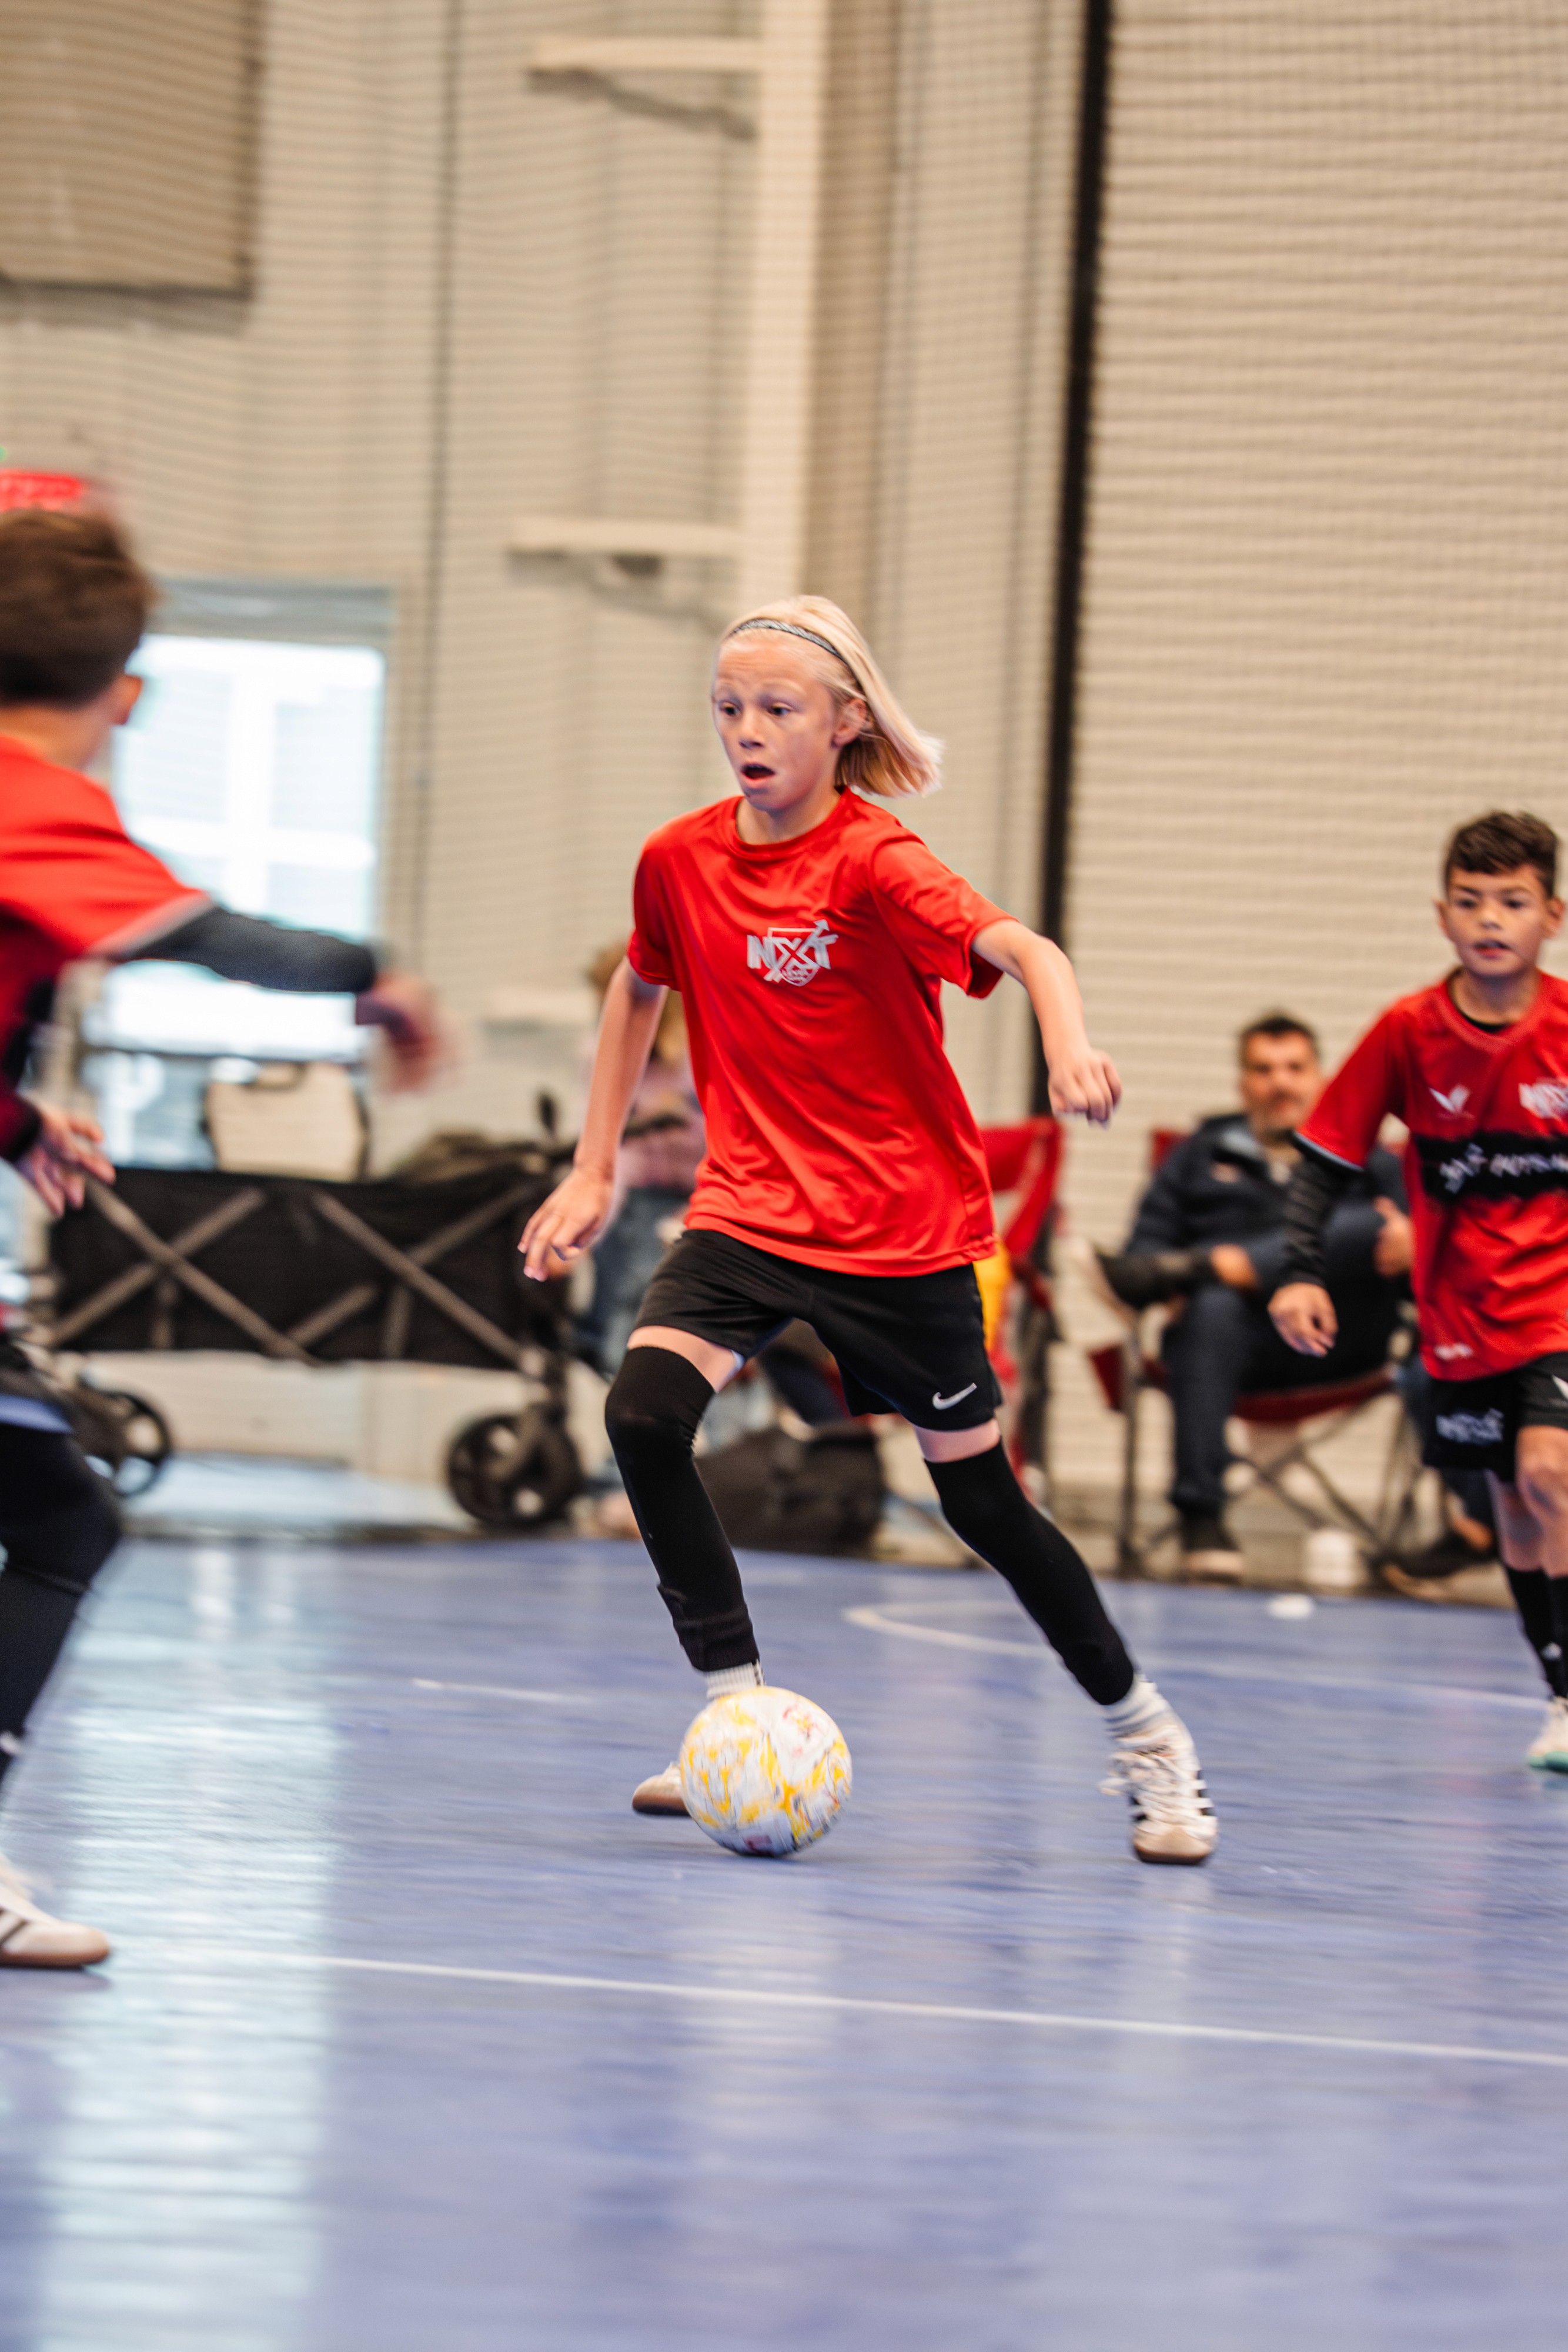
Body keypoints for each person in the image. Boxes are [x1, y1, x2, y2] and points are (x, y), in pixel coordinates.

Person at [523, 594, 1216, 1865]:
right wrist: (593, 1166)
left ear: (844, 721)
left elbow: (1027, 948)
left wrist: (1068, 1046)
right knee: (642, 1417)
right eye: (728, 706)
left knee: (982, 1506)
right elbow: (638, 982)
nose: (746, 729)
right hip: (748, 1210)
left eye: (776, 708)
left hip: (900, 1232)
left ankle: (1149, 1735)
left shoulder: (877, 863)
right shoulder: (677, 858)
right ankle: (735, 1718)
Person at [0, 509, 445, 1967]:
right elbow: (214, 940)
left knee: (56, 1505)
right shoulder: (35, 804)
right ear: (125, 693)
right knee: (61, 1520)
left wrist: (16, 1122)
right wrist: (375, 979)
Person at [1272, 810, 1568, 1771]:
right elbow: (1324, 1157)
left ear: (1551, 916)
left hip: (1557, 1305)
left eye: (1512, 902)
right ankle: (1558, 1694)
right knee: (1513, 1510)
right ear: (1442, 916)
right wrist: (1300, 1271)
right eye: (1470, 902)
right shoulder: (1407, 1031)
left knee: (1549, 1473)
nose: (1490, 920)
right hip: (1459, 1316)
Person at [1098, 1014, 1412, 1576]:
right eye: (1263, 1070)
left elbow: (1420, 1260)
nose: (1279, 1083)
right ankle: (1201, 1517)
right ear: (1242, 1083)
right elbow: (1142, 1255)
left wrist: (1413, 1242)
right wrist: (1174, 1284)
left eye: (1294, 1068)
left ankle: (1212, 1265)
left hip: (1342, 1343)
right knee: (1211, 1306)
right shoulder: (1199, 1153)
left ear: (1320, 1078)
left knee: (1376, 1224)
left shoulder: (1370, 1157)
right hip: (1230, 1347)